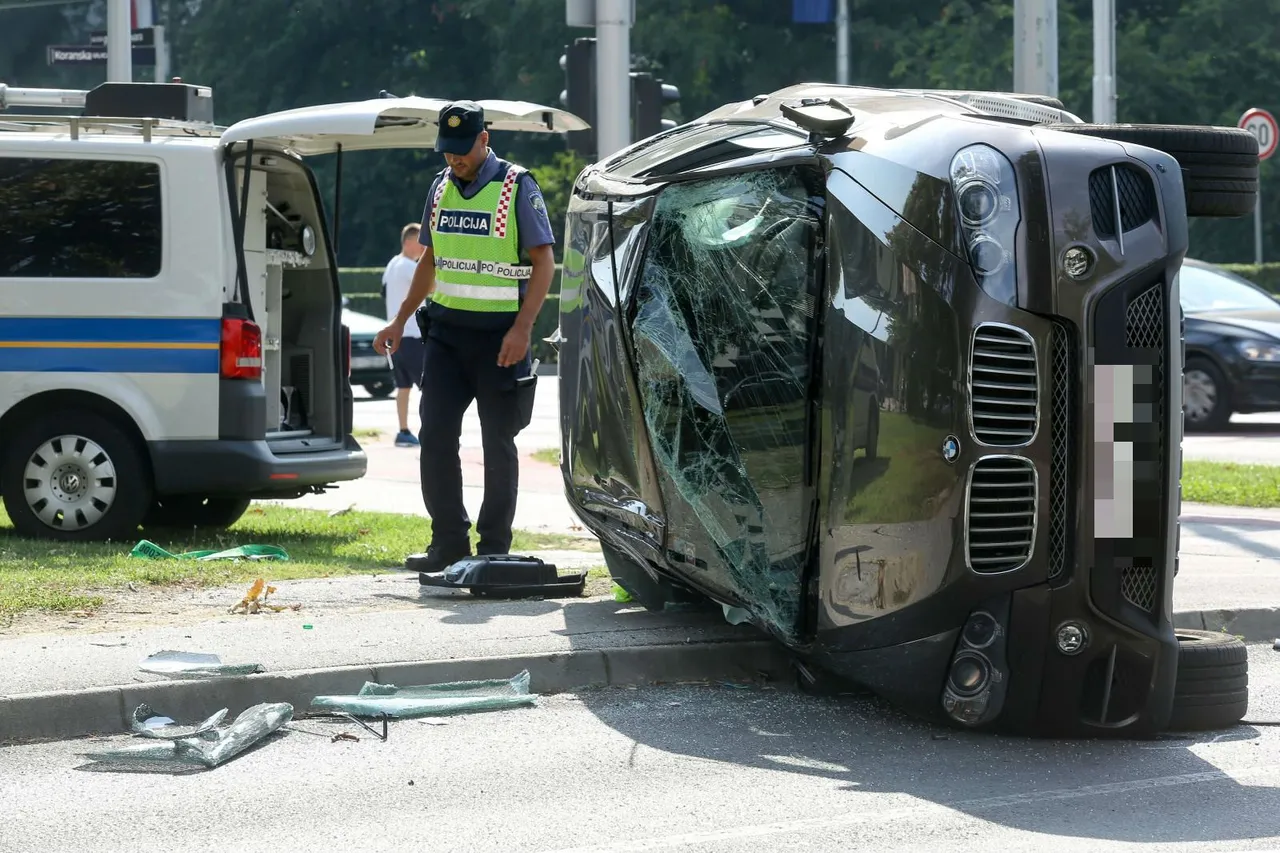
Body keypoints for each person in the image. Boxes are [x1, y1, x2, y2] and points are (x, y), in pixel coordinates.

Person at [374, 100, 556, 577]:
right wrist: (399, 321)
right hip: (448, 336)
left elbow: (544, 263)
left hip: (500, 339)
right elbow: (429, 263)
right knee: (435, 436)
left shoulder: (517, 186)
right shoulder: (439, 188)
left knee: (498, 443)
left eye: (462, 151)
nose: (454, 160)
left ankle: (493, 545)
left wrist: (522, 328)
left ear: (484, 140)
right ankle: (448, 543)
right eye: (447, 151)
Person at [381, 222, 427, 447]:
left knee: (403, 387)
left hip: (395, 338)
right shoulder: (410, 267)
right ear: (408, 242)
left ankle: (403, 431)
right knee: (429, 386)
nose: (424, 247)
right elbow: (435, 287)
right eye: (421, 242)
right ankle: (433, 431)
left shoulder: (391, 265)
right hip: (412, 336)